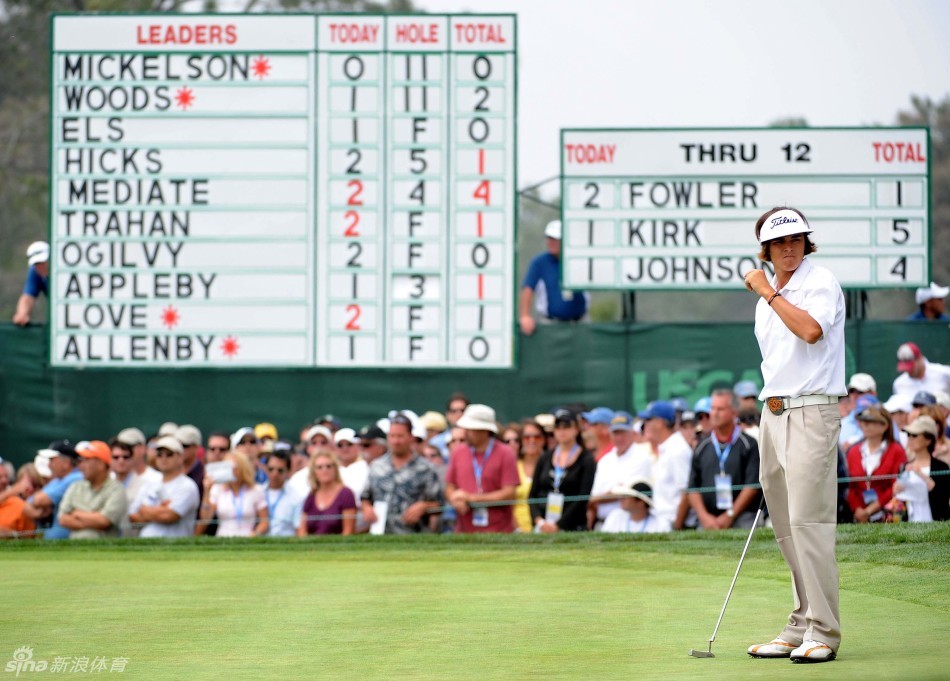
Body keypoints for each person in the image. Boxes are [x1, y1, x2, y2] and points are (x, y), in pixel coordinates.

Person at [743, 206, 845, 663]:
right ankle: (801, 623)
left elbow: (810, 330)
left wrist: (767, 291)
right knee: (785, 527)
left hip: (812, 412)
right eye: (780, 242)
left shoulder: (819, 282)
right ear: (766, 249)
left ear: (806, 243)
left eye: (796, 240)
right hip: (773, 413)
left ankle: (824, 631)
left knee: (809, 524)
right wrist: (769, 295)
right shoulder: (767, 302)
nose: (789, 248)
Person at [688, 390, 761, 530]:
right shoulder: (702, 446)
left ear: (734, 412)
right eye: (713, 408)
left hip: (743, 517)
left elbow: (752, 486)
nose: (714, 413)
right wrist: (704, 517)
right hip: (708, 519)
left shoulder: (748, 444)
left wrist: (730, 515)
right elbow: (692, 488)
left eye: (720, 409)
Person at [361, 414, 443, 534]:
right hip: (380, 535)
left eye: (400, 436)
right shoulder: (376, 466)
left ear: (410, 437)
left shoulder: (426, 468)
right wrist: (367, 508)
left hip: (413, 536)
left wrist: (423, 506)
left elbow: (439, 504)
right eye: (392, 436)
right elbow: (365, 497)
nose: (396, 441)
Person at [445, 404, 520, 534]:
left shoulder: (505, 453)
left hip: (499, 532)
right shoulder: (458, 452)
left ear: (484, 430)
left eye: (470, 429)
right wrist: (455, 499)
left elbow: (509, 493)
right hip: (464, 531)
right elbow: (449, 486)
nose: (465, 433)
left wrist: (472, 498)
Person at [528, 408, 596, 532]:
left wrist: (559, 525)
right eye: (558, 427)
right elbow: (533, 495)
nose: (562, 431)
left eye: (567, 427)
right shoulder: (545, 457)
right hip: (543, 524)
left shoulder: (586, 459)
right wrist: (540, 521)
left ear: (576, 429)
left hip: (573, 526)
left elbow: (583, 497)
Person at [519, 220, 588, 335]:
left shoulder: (577, 260)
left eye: (555, 239)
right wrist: (525, 316)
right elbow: (528, 288)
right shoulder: (539, 262)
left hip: (579, 322)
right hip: (550, 323)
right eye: (549, 239)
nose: (551, 243)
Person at [588, 411, 653, 530]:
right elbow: (595, 496)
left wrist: (597, 498)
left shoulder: (642, 457)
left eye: (623, 432)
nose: (619, 438)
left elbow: (628, 493)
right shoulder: (605, 460)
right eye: (615, 433)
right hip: (602, 522)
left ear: (632, 433)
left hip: (629, 522)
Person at [129, 436, 201, 538]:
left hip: (174, 544)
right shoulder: (149, 483)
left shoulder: (188, 486)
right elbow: (132, 516)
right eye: (159, 454)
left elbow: (169, 516)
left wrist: (145, 510)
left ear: (180, 457)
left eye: (169, 454)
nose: (164, 458)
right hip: (146, 543)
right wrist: (161, 508)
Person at [845, 405, 906, 523]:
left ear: (884, 426)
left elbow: (896, 485)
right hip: (858, 517)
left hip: (888, 516)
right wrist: (858, 510)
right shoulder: (853, 452)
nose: (864, 425)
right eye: (863, 421)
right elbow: (849, 486)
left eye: (870, 422)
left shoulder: (896, 451)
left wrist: (870, 510)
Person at [638, 401, 693, 531]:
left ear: (659, 422)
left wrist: (677, 526)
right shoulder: (668, 447)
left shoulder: (677, 450)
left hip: (673, 524)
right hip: (662, 522)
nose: (645, 425)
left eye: (648, 420)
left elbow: (686, 493)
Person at [58, 441, 127, 539]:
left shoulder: (117, 489)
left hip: (103, 547)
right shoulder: (75, 486)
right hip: (74, 547)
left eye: (86, 460)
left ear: (101, 464)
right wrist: (94, 518)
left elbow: (104, 521)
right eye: (80, 461)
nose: (80, 466)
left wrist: (77, 514)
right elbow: (62, 519)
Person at [197, 451, 268, 537]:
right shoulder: (217, 489)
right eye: (226, 467)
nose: (230, 470)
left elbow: (264, 521)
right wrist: (207, 491)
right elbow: (205, 518)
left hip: (248, 539)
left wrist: (255, 534)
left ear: (243, 468)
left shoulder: (256, 490)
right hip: (223, 539)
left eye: (233, 466)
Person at [23, 440, 84, 540]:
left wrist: (36, 506)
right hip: (56, 539)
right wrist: (37, 510)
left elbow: (40, 500)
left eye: (52, 460)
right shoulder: (58, 480)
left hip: (71, 540)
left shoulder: (77, 477)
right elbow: (27, 505)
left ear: (66, 463)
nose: (49, 465)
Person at [894, 415, 950, 521]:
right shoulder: (904, 467)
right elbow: (899, 499)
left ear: (928, 440)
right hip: (910, 523)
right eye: (909, 435)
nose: (910, 439)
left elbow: (943, 497)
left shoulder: (941, 467)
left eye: (915, 435)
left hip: (936, 523)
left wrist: (922, 475)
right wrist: (897, 489)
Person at [298, 450, 356, 536]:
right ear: (314, 472)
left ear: (335, 469)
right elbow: (302, 531)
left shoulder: (346, 494)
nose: (324, 470)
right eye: (319, 467)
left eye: (328, 466)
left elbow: (348, 531)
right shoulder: (311, 496)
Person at [263, 446, 304, 537]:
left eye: (280, 470)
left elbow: (299, 529)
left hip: (286, 543)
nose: (275, 474)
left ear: (288, 472)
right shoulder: (258, 493)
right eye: (271, 469)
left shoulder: (296, 497)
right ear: (265, 469)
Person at [512, 419, 545, 532]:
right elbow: (507, 503)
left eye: (537, 437)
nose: (532, 440)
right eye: (527, 437)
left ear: (543, 439)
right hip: (516, 530)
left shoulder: (550, 465)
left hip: (545, 528)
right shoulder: (513, 466)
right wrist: (517, 529)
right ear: (521, 440)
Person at [601, 480, 668, 534]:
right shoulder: (615, 516)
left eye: (626, 496)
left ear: (640, 502)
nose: (621, 499)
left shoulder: (661, 524)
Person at [12, 241, 49, 326]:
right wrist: (22, 314)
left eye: (43, 262)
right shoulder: (35, 272)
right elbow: (28, 297)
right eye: (37, 264)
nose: (40, 266)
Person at [839, 373, 878, 452]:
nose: (854, 395)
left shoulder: (885, 421)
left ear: (873, 394)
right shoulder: (841, 424)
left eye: (860, 392)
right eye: (852, 391)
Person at [0, 461, 36, 538]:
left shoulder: (19, 505)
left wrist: (12, 535)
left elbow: (29, 540)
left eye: (6, 476)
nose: (4, 481)